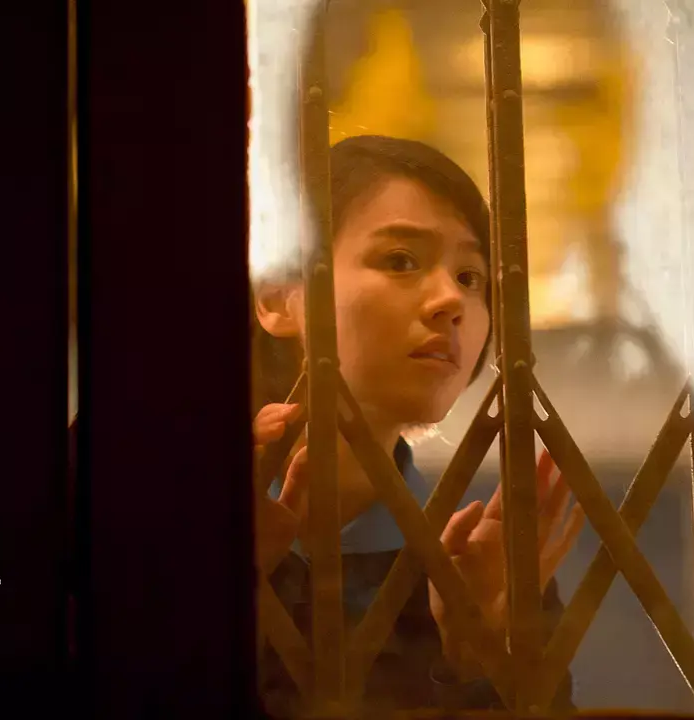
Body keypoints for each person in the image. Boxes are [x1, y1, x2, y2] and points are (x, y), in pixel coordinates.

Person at [251, 135, 585, 715]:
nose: (450, 300)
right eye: (400, 260)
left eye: (471, 277)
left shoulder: (480, 569)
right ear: (280, 299)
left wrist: (474, 659)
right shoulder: (145, 489)